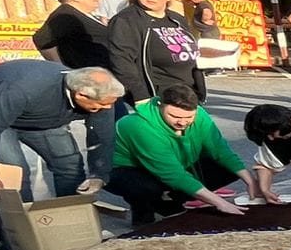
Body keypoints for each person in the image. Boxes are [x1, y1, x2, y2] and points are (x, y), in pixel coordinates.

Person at [0, 63, 123, 199]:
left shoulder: (103, 96)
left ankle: (72, 215)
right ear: (81, 95)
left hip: (39, 118)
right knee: (16, 171)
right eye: (102, 105)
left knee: (70, 166)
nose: (107, 108)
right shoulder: (24, 88)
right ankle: (21, 220)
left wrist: (99, 174)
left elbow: (103, 135)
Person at [105, 88, 249, 225]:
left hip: (173, 164)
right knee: (146, 188)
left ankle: (171, 200)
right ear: (160, 106)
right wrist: (220, 203)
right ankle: (145, 210)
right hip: (123, 170)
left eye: (189, 117)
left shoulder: (200, 114)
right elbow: (171, 173)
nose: (182, 122)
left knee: (229, 168)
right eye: (174, 116)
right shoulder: (137, 126)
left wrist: (252, 182)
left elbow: (220, 151)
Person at [30, 0, 119, 193]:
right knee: (103, 127)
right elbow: (42, 39)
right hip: (88, 83)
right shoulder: (65, 15)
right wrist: (61, 67)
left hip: (103, 81)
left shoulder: (84, 15)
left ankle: (105, 174)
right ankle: (100, 176)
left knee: (110, 128)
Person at [106, 0, 204, 105]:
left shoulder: (176, 19)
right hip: (157, 94)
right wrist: (140, 96)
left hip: (189, 92)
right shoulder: (126, 20)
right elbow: (121, 60)